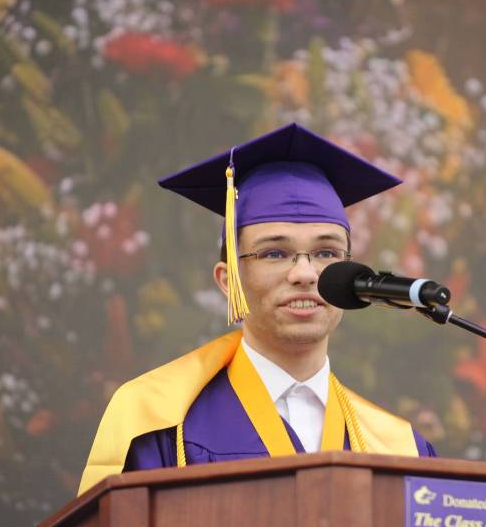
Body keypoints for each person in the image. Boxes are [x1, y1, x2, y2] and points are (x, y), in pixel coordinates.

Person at [78, 123, 436, 495]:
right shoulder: (158, 421)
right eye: (274, 253)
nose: (305, 273)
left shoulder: (399, 449)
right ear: (228, 280)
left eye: (326, 253)